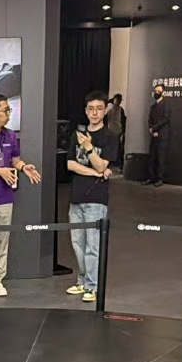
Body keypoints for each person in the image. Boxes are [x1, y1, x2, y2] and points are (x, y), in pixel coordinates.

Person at [0, 94, 42, 298]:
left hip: (5, 195)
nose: (8, 114)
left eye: (9, 110)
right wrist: (0, 171)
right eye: (5, 110)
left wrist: (23, 167)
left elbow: (14, 159)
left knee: (2, 240)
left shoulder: (10, 136)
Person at [67, 92, 120, 302]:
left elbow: (101, 164)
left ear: (105, 110)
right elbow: (71, 164)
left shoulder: (110, 137)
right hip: (76, 196)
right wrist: (96, 173)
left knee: (93, 245)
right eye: (90, 109)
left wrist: (89, 149)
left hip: (96, 199)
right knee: (77, 243)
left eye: (99, 109)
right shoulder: (77, 134)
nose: (94, 113)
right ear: (85, 111)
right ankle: (82, 281)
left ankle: (92, 285)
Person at [145, 83, 170, 186]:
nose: (156, 93)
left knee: (161, 158)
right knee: (152, 158)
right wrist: (151, 129)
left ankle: (160, 179)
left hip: (162, 135)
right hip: (153, 135)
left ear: (163, 93)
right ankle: (151, 177)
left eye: (158, 91)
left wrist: (155, 129)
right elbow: (149, 119)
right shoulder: (153, 106)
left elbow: (165, 119)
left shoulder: (166, 105)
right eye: (155, 91)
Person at [105, 93, 127, 167]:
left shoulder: (120, 109)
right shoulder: (109, 108)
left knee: (118, 147)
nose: (118, 101)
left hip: (118, 130)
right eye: (117, 100)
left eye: (119, 100)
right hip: (110, 130)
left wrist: (123, 131)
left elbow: (123, 121)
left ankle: (117, 162)